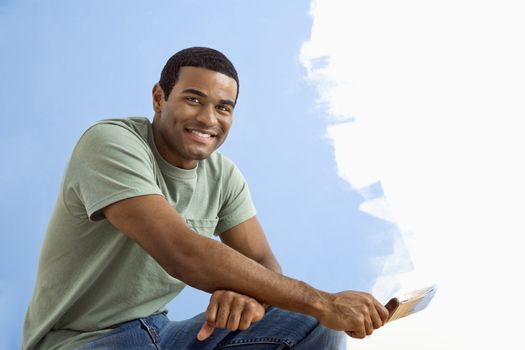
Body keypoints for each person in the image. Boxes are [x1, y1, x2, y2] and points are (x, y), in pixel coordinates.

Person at [22, 47, 389, 349]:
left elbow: (263, 262)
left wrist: (251, 298)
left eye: (223, 107)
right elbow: (181, 251)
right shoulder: (110, 144)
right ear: (159, 98)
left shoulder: (223, 175)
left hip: (163, 335)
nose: (208, 119)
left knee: (311, 326)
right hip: (83, 341)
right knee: (315, 310)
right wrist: (323, 301)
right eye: (193, 100)